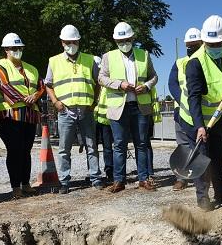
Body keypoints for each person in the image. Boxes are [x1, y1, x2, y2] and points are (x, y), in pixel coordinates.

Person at [179, 15, 222, 211]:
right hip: (194, 118)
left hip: (217, 116)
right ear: (204, 41)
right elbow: (193, 98)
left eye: (218, 43)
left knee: (218, 157)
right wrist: (199, 127)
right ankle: (203, 200)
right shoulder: (195, 63)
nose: (214, 46)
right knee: (201, 160)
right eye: (210, 43)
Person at [98, 22, 158, 193]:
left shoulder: (144, 55)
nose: (123, 43)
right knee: (119, 144)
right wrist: (119, 84)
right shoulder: (108, 57)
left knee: (142, 143)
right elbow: (101, 78)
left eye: (126, 39)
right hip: (118, 107)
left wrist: (146, 86)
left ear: (132, 38)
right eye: (119, 40)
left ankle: (144, 179)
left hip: (140, 107)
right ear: (115, 41)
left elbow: (154, 77)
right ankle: (119, 180)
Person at [45, 25, 104, 194]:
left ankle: (95, 177)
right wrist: (56, 102)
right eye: (67, 42)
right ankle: (64, 181)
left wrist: (94, 102)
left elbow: (98, 82)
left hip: (86, 110)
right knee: (64, 148)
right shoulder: (54, 61)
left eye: (74, 41)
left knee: (91, 145)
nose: (71, 44)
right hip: (65, 111)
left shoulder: (89, 59)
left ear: (78, 41)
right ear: (62, 42)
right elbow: (48, 84)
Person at [0, 33, 46, 199]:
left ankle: (26, 184)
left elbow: (41, 86)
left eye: (19, 48)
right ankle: (15, 187)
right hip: (8, 114)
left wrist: (35, 96)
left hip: (29, 114)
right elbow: (5, 87)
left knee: (26, 150)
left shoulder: (32, 68)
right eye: (13, 48)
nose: (17, 51)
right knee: (14, 150)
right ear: (6, 50)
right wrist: (25, 99)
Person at [168, 27, 202, 191]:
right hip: (181, 112)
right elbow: (172, 84)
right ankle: (182, 178)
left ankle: (202, 179)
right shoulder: (179, 62)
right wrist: (184, 100)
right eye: (188, 45)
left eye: (194, 44)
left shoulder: (206, 61)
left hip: (203, 112)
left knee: (202, 147)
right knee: (183, 145)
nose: (191, 48)